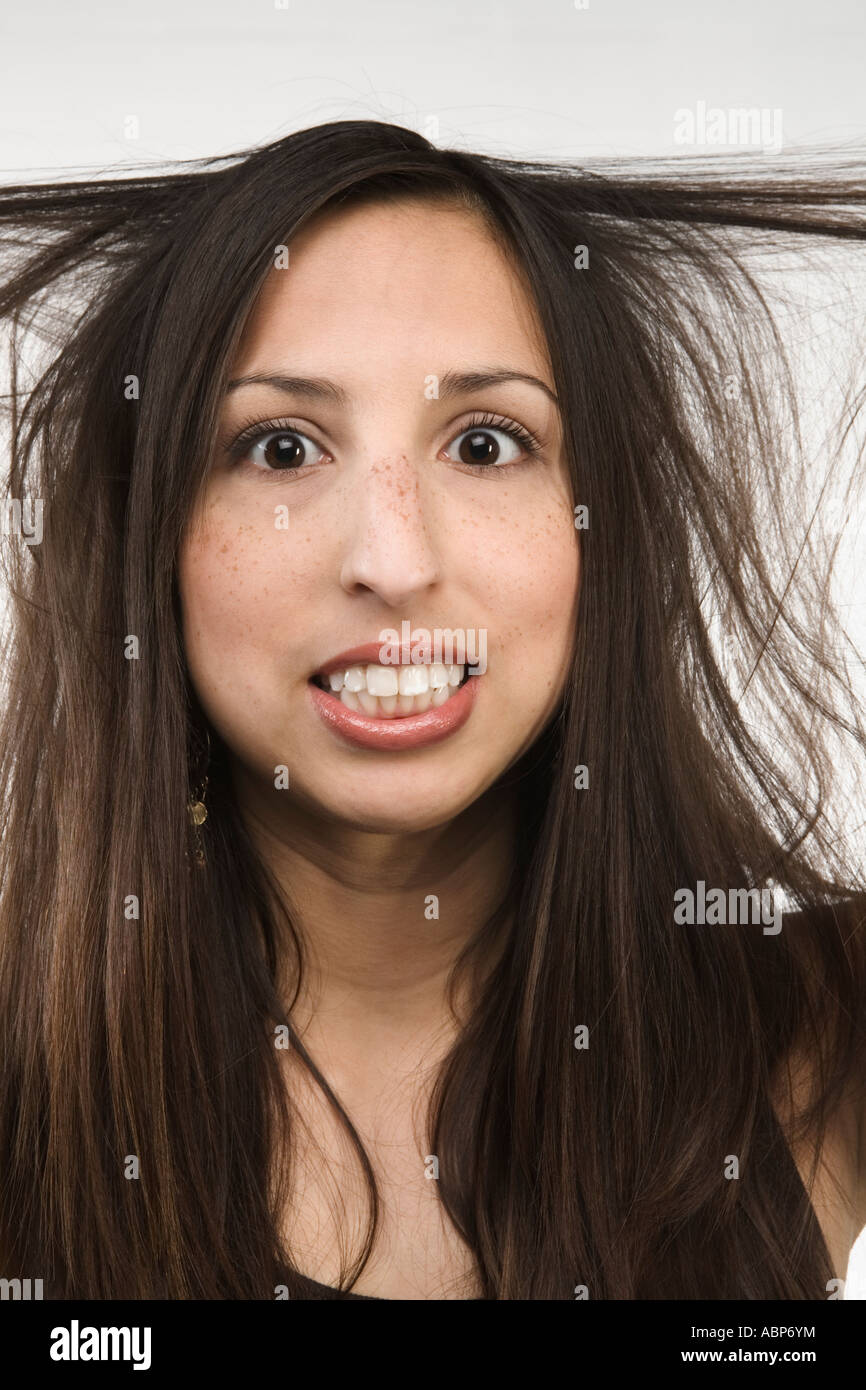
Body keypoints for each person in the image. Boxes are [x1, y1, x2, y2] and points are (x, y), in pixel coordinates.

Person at [0, 120, 864, 1300]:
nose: (392, 560)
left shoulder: (828, 1024)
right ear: (153, 546)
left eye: (485, 440)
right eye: (282, 446)